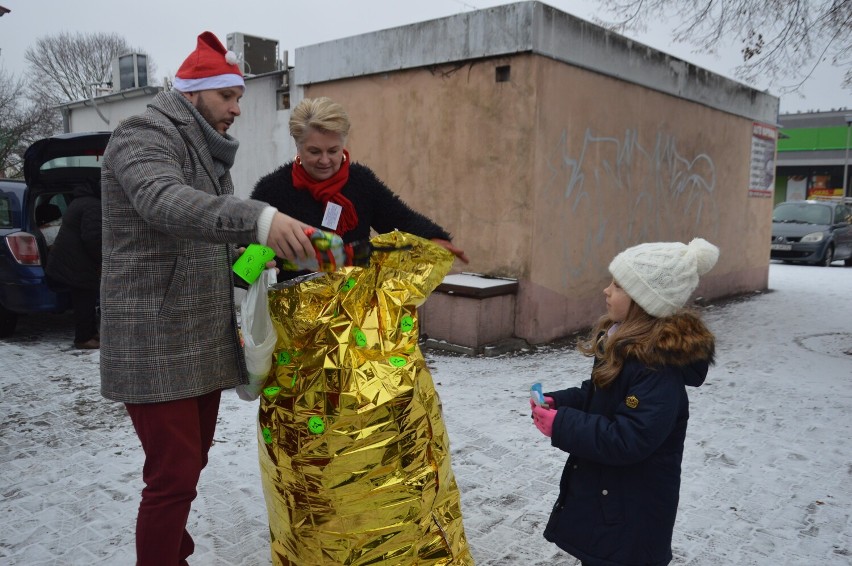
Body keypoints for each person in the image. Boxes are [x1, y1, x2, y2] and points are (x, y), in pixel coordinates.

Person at [99, 31, 313, 566]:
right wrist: (260, 218)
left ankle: (175, 551)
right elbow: (165, 202)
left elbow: (216, 248)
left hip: (199, 339)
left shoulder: (207, 152)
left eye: (240, 98)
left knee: (188, 468)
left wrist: (272, 262)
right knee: (171, 476)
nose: (237, 109)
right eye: (228, 97)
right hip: (155, 341)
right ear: (193, 93)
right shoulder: (141, 134)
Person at [530, 238, 720, 566]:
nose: (606, 291)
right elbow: (599, 395)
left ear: (644, 301)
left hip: (633, 514)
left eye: (618, 285)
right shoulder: (623, 343)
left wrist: (562, 425)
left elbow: (628, 438)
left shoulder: (659, 368)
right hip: (612, 502)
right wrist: (560, 403)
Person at [249, 96, 468, 278]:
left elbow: (401, 219)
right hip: (293, 313)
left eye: (333, 151)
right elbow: (249, 257)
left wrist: (435, 239)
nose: (325, 160)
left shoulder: (361, 182)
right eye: (314, 152)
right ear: (298, 146)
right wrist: (252, 269)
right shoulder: (272, 190)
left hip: (353, 306)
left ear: (343, 144)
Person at [44, 183, 101, 349]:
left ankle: (91, 332)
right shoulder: (93, 205)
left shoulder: (81, 201)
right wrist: (102, 260)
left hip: (70, 259)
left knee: (86, 298)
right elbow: (93, 238)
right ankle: (83, 338)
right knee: (84, 300)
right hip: (76, 262)